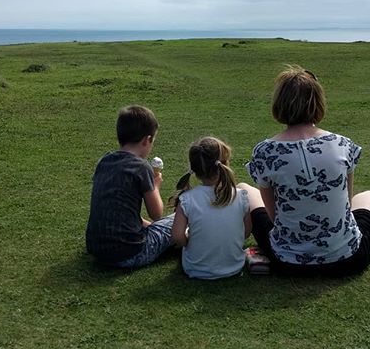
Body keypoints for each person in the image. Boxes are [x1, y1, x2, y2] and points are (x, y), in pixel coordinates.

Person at [246, 66, 370, 276]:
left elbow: (274, 216)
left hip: (288, 261)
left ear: (279, 103)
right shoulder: (342, 144)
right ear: (318, 102)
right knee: (369, 196)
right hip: (348, 259)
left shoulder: (265, 151)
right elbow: (347, 200)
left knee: (244, 189)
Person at [86, 105, 174, 268]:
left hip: (97, 250)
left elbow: (119, 209)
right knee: (177, 219)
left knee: (156, 225)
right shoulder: (141, 167)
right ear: (147, 140)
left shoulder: (105, 161)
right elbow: (156, 213)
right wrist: (155, 187)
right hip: (131, 253)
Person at [171, 137, 256, 280]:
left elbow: (178, 237)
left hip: (195, 268)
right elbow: (246, 232)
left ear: (194, 169)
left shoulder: (187, 199)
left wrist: (190, 242)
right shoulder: (241, 195)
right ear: (224, 164)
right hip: (234, 266)